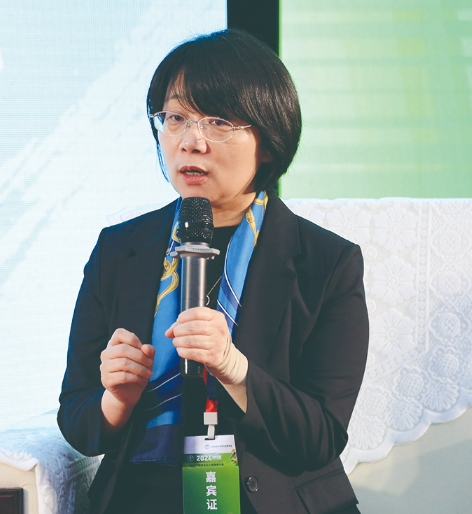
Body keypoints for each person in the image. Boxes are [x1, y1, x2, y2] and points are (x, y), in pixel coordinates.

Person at [58, 29, 369, 514]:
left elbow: (320, 438)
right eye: (175, 118)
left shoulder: (326, 262)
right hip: (142, 498)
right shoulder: (119, 250)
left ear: (269, 141)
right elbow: (78, 420)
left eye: (219, 121)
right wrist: (115, 400)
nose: (191, 142)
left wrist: (233, 367)